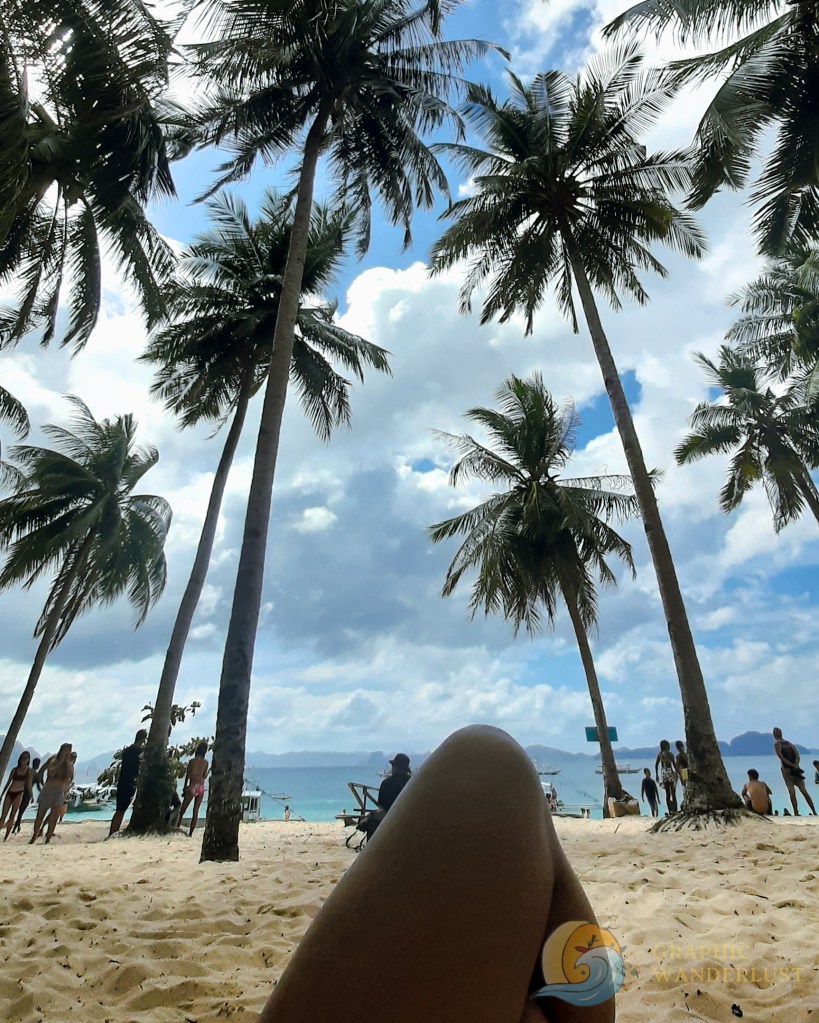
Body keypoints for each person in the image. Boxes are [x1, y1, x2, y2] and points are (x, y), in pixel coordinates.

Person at [258, 725, 615, 1023]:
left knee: (483, 758)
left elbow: (386, 809)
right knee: (487, 758)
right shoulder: (417, 781)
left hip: (395, 830)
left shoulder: (387, 784)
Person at [30, 743, 74, 844]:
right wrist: (61, 761)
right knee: (40, 816)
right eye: (66, 751)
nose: (67, 753)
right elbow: (51, 773)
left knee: (54, 817)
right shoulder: (53, 760)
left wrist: (66, 762)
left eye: (69, 751)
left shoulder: (69, 764)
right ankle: (34, 836)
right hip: (48, 789)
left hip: (59, 791)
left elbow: (69, 776)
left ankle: (48, 839)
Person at [108, 729, 147, 837]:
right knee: (121, 810)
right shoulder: (139, 752)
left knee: (119, 810)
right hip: (130, 782)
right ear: (143, 740)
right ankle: (113, 833)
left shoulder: (127, 751)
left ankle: (113, 832)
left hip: (122, 781)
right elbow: (143, 761)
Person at [772, 727, 817, 816]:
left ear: (774, 735)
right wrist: (796, 765)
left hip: (787, 770)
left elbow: (781, 757)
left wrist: (792, 765)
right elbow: (797, 755)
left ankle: (796, 812)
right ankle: (813, 811)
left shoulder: (777, 743)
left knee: (792, 791)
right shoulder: (789, 743)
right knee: (803, 791)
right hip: (796, 768)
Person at [178, 741, 208, 837]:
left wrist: (184, 788)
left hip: (192, 785)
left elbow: (188, 776)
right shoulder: (205, 762)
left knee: (182, 810)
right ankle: (190, 834)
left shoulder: (192, 761)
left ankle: (177, 827)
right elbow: (204, 776)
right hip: (200, 787)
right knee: (196, 811)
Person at [1, 752, 32, 840]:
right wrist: (2, 794)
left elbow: (29, 785)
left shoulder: (29, 771)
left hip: (19, 793)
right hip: (10, 792)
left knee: (13, 814)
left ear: (28, 760)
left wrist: (31, 796)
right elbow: (8, 782)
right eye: (23, 758)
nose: (24, 760)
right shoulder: (15, 770)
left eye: (26, 758)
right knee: (3, 814)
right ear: (20, 759)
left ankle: (6, 836)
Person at [12, 756, 40, 834]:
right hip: (27, 794)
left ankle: (16, 826)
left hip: (20, 791)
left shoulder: (28, 771)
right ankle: (15, 827)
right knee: (21, 811)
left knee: (15, 810)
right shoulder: (36, 775)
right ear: (37, 765)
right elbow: (38, 787)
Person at [655, 740, 678, 814]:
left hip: (663, 773)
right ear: (666, 746)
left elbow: (656, 764)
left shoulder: (659, 754)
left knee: (667, 793)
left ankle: (669, 810)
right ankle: (675, 809)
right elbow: (674, 765)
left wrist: (657, 775)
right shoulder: (670, 754)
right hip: (669, 772)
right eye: (668, 745)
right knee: (673, 792)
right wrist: (677, 774)